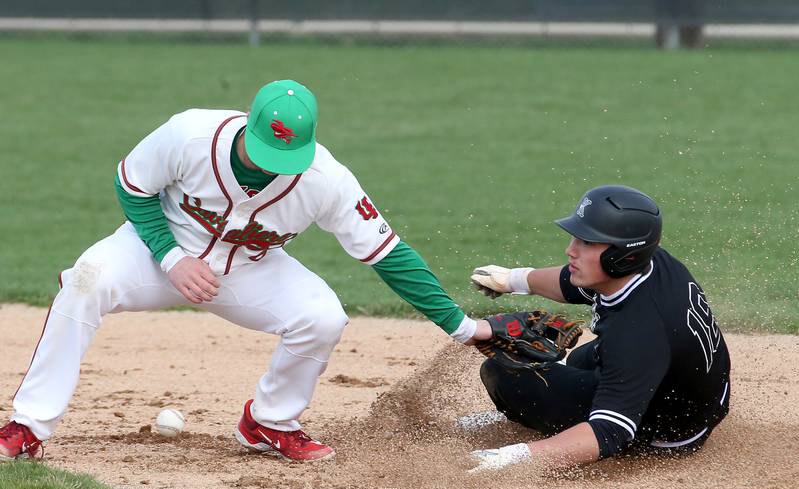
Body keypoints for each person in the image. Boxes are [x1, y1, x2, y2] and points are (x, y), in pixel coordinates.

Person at [0, 79, 482, 462]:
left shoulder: (324, 179)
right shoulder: (190, 134)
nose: (274, 166)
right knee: (86, 280)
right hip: (156, 251)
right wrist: (170, 256)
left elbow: (388, 252)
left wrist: (460, 326)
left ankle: (270, 422)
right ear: (246, 125)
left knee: (322, 317)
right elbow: (132, 184)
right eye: (264, 152)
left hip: (249, 268)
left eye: (286, 158)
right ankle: (28, 426)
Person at [467, 185, 730, 471]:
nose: (571, 250)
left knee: (505, 375)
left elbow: (609, 433)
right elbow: (572, 284)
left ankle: (526, 422)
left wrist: (513, 458)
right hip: (693, 396)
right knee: (581, 360)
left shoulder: (637, 334)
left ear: (622, 256)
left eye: (588, 243)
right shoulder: (649, 263)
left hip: (668, 432)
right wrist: (514, 279)